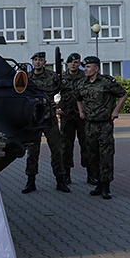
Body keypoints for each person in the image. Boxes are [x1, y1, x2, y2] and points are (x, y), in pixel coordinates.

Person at [76, 55, 127, 200]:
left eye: (87, 67)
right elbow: (78, 99)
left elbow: (123, 95)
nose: (85, 69)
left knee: (106, 155)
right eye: (84, 67)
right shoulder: (82, 83)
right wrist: (81, 111)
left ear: (96, 68)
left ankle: (106, 186)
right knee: (92, 155)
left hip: (104, 124)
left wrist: (116, 110)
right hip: (89, 124)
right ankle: (98, 183)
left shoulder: (107, 81)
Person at [22, 51, 70, 194]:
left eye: (40, 60)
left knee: (57, 150)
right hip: (34, 120)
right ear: (32, 61)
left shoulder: (52, 76)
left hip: (49, 119)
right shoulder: (27, 77)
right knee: (32, 152)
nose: (37, 62)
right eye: (35, 59)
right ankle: (30, 182)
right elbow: (19, 93)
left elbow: (67, 90)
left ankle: (60, 181)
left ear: (44, 62)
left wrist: (59, 104)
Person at [58, 52, 92, 185]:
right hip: (67, 116)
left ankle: (91, 174)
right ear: (67, 64)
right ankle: (66, 174)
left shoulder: (85, 76)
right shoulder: (61, 77)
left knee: (87, 145)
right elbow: (52, 93)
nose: (73, 64)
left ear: (79, 64)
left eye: (76, 62)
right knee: (66, 146)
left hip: (82, 116)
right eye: (71, 62)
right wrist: (57, 108)